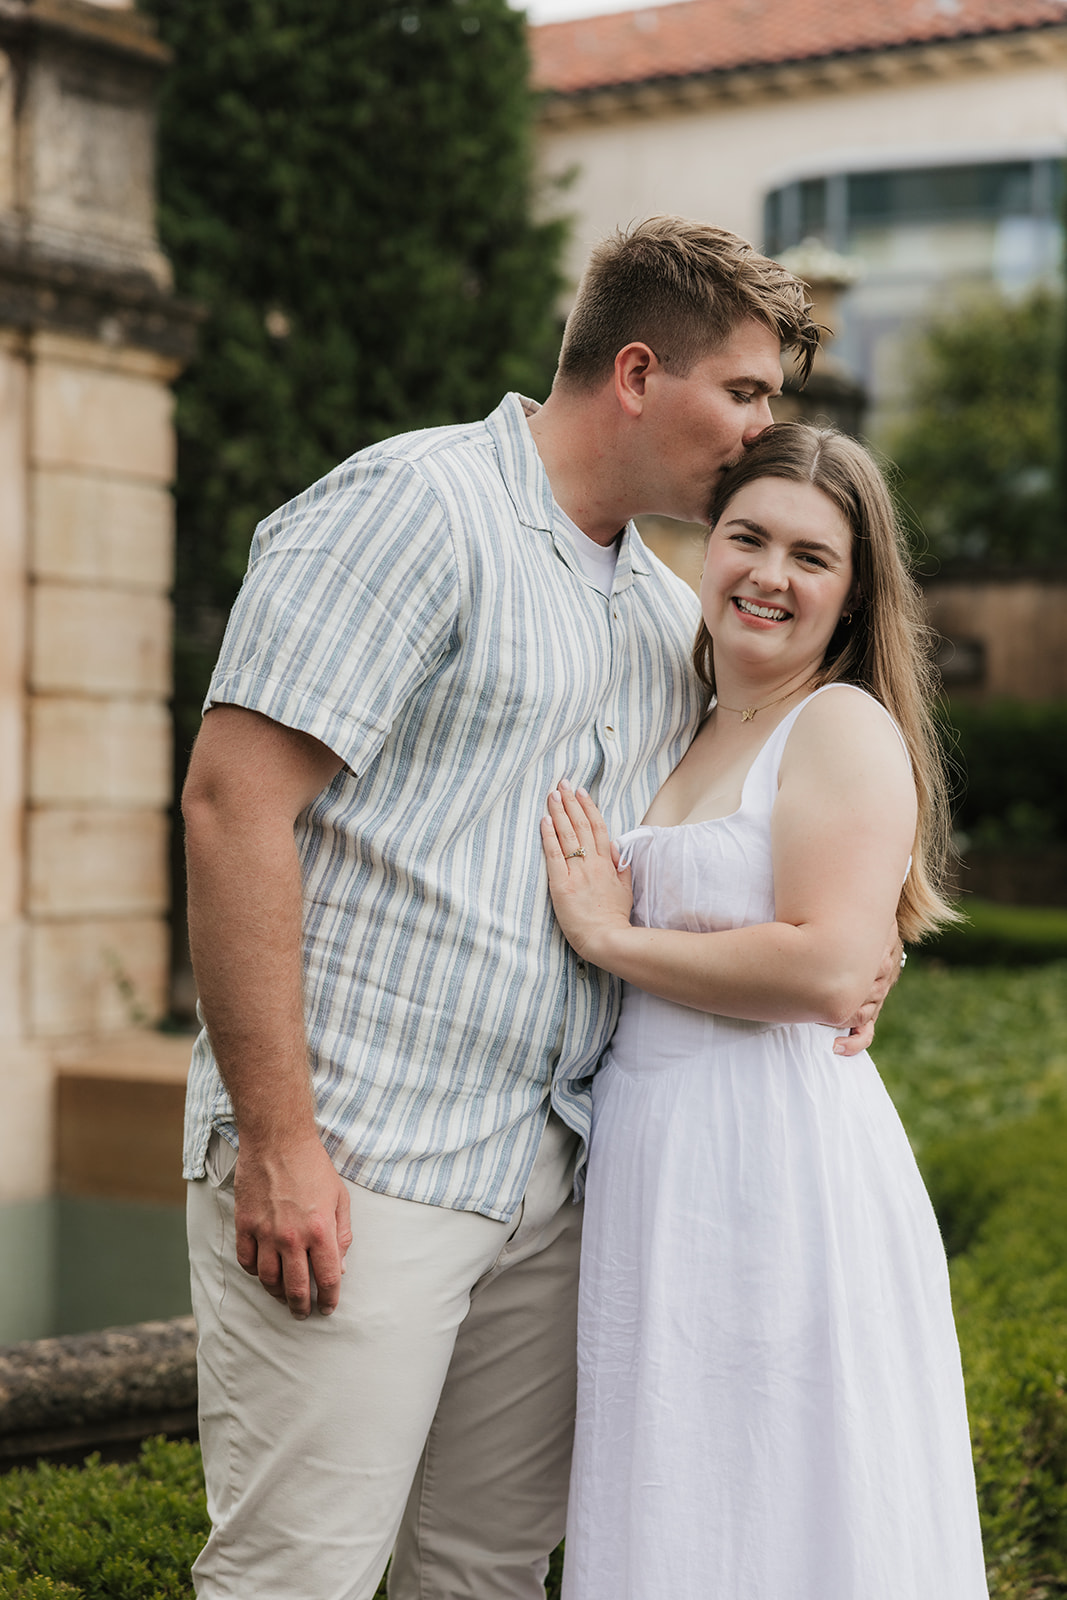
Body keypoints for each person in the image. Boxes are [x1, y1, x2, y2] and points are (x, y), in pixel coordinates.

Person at [180, 217, 890, 1600]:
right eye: (744, 391)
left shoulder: (662, 611)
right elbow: (229, 805)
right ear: (636, 372)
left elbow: (758, 823)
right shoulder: (413, 508)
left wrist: (852, 953)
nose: (762, 430)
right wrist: (276, 1138)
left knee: (486, 1575)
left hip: (561, 1181)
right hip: (363, 1163)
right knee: (294, 1577)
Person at [541, 421, 988, 1599]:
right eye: (747, 536)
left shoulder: (835, 722)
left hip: (772, 1155)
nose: (768, 575)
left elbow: (829, 965)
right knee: (678, 1493)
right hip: (654, 1148)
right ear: (708, 542)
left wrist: (610, 938)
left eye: (810, 555)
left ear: (852, 594)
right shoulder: (680, 714)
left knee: (780, 1490)